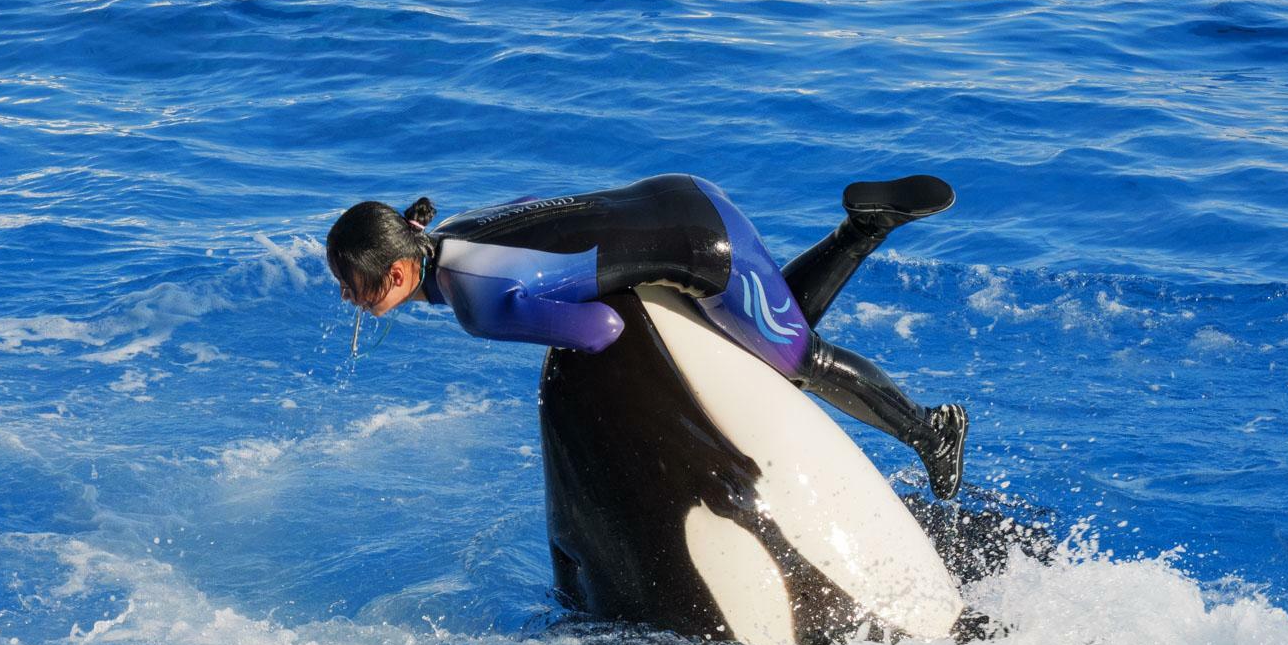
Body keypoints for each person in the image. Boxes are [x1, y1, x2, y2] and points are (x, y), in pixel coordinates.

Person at [325, 174, 970, 498]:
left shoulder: (478, 303)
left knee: (801, 359)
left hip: (703, 248)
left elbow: (603, 329)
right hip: (678, 196)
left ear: (402, 272)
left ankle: (929, 429)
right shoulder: (455, 232)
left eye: (356, 285)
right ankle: (863, 229)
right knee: (762, 335)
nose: (350, 298)